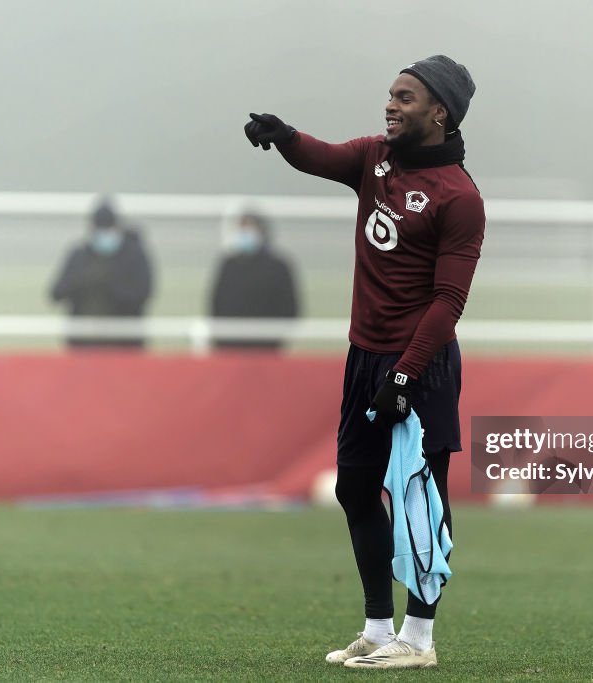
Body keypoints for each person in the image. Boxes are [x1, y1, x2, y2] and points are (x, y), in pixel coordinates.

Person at [244, 55, 483, 669]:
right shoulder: (376, 158)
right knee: (355, 487)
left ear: (440, 111)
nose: (390, 105)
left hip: (419, 365)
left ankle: (420, 640)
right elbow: (320, 156)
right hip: (365, 358)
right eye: (390, 95)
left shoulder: (459, 196)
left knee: (421, 499)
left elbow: (448, 301)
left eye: (405, 97)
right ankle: (379, 628)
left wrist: (406, 373)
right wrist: (283, 136)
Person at [49, 196, 154, 349]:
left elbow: (142, 295)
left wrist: (110, 283)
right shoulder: (80, 256)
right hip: (83, 345)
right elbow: (56, 294)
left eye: (108, 228)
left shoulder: (133, 256)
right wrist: (84, 280)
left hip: (124, 346)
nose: (104, 234)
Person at [209, 212, 300, 350]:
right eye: (242, 228)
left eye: (250, 228)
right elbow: (216, 303)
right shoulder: (229, 265)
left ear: (262, 231)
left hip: (267, 346)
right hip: (229, 345)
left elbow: (290, 307)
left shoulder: (278, 267)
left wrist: (276, 334)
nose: (246, 233)